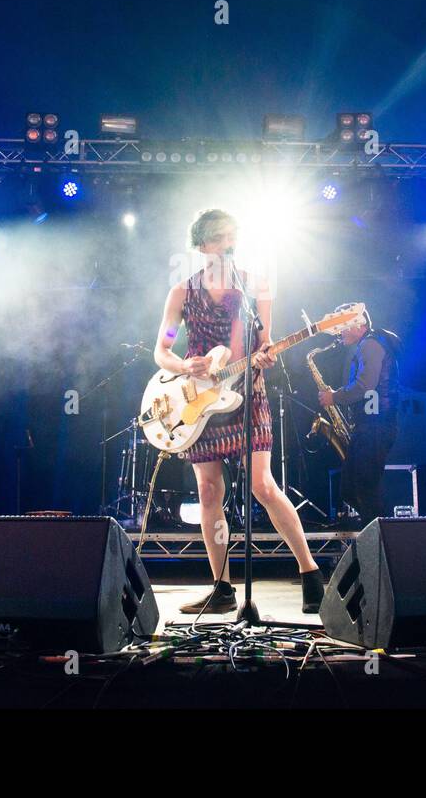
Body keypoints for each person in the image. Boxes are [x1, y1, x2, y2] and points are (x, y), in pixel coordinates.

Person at [153, 209, 325, 614]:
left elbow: (264, 342)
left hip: (246, 394)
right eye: (218, 237)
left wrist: (264, 357)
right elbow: (162, 349)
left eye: (232, 236)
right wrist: (184, 365)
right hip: (200, 399)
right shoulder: (181, 293)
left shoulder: (255, 288)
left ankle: (311, 574)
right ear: (201, 245)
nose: (228, 243)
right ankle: (222, 588)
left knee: (262, 485)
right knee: (209, 491)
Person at [318, 308, 401, 524]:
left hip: (374, 427)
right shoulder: (368, 344)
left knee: (364, 487)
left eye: (342, 327)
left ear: (359, 325)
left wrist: (334, 397)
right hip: (370, 426)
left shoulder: (370, 344)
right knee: (352, 487)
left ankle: (381, 539)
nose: (339, 332)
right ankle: (376, 534)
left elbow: (365, 385)